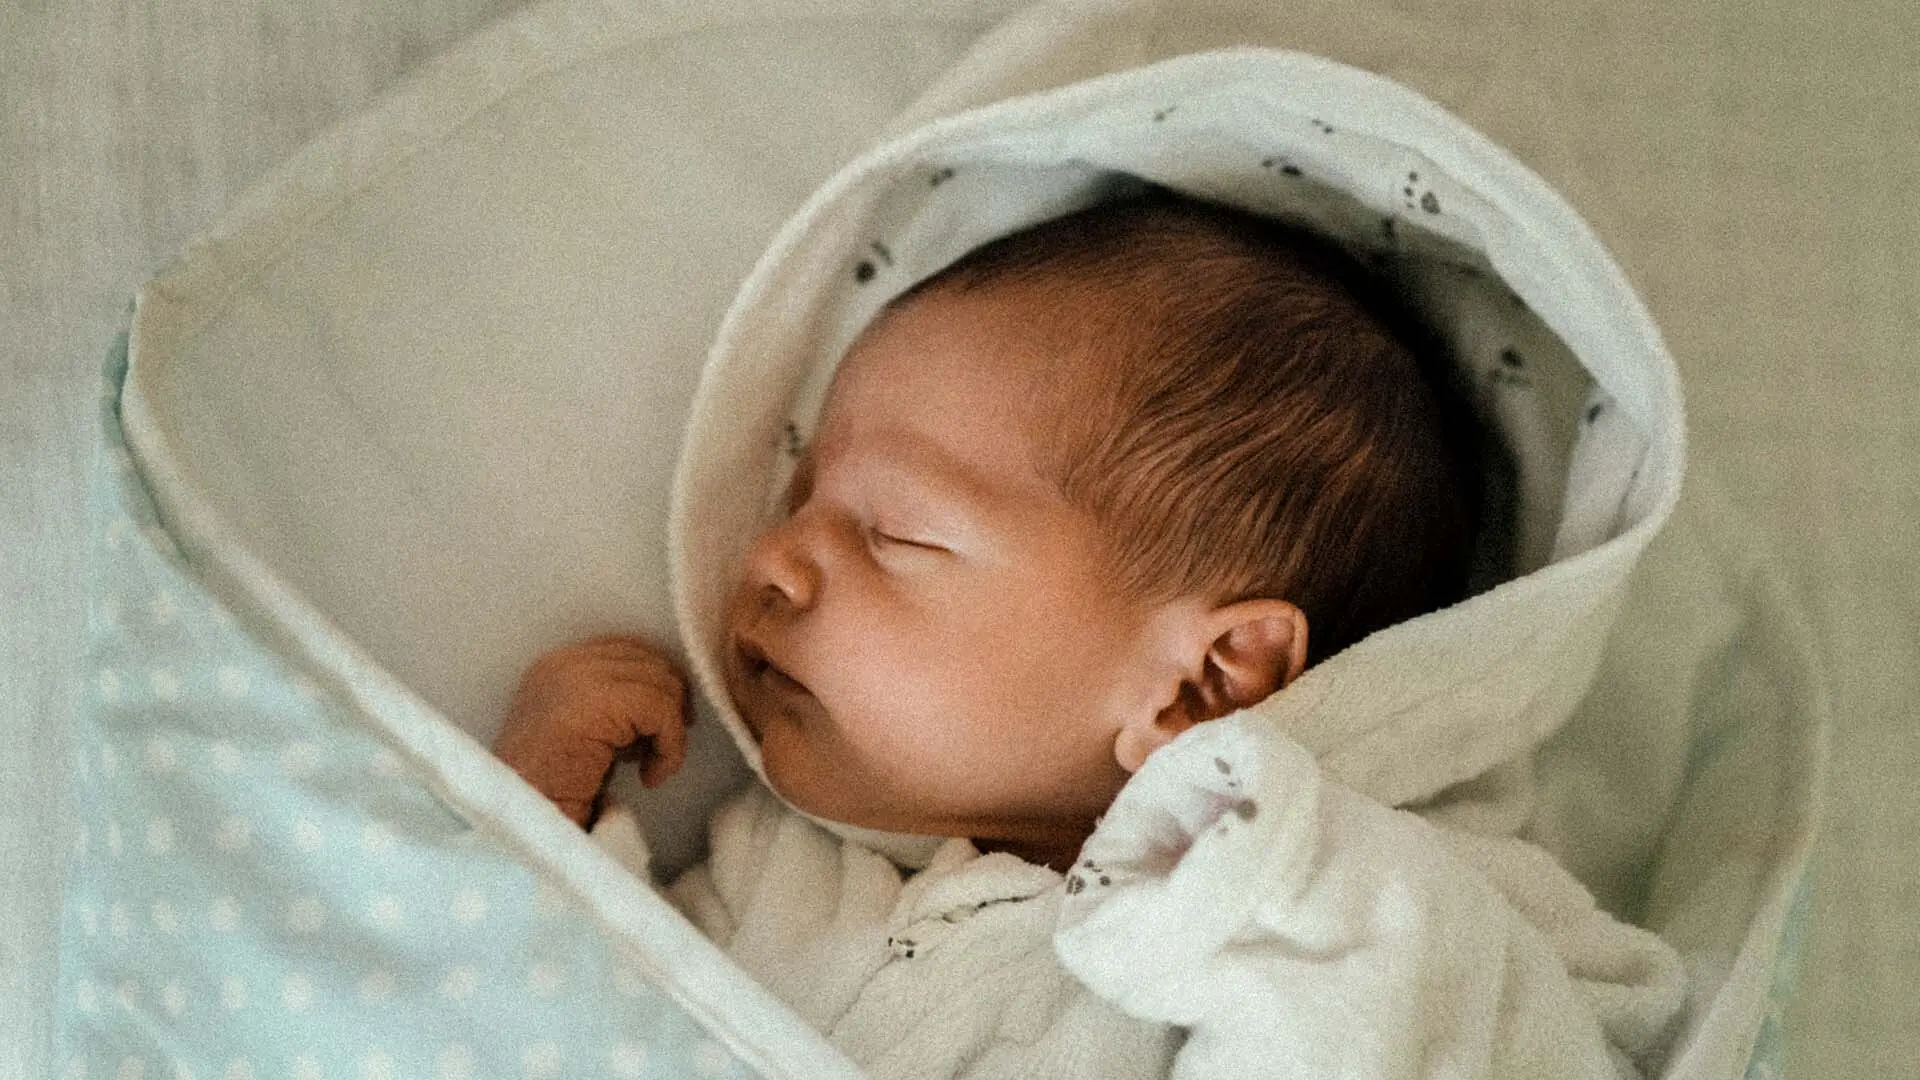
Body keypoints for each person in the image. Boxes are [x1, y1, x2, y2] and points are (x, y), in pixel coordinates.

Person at [491, 193, 1680, 1079]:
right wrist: (526, 823)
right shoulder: (785, 877)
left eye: (895, 532)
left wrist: (1265, 879)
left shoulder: (1367, 912)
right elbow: (553, 1029)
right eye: (800, 497)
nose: (771, 556)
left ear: (1200, 684)